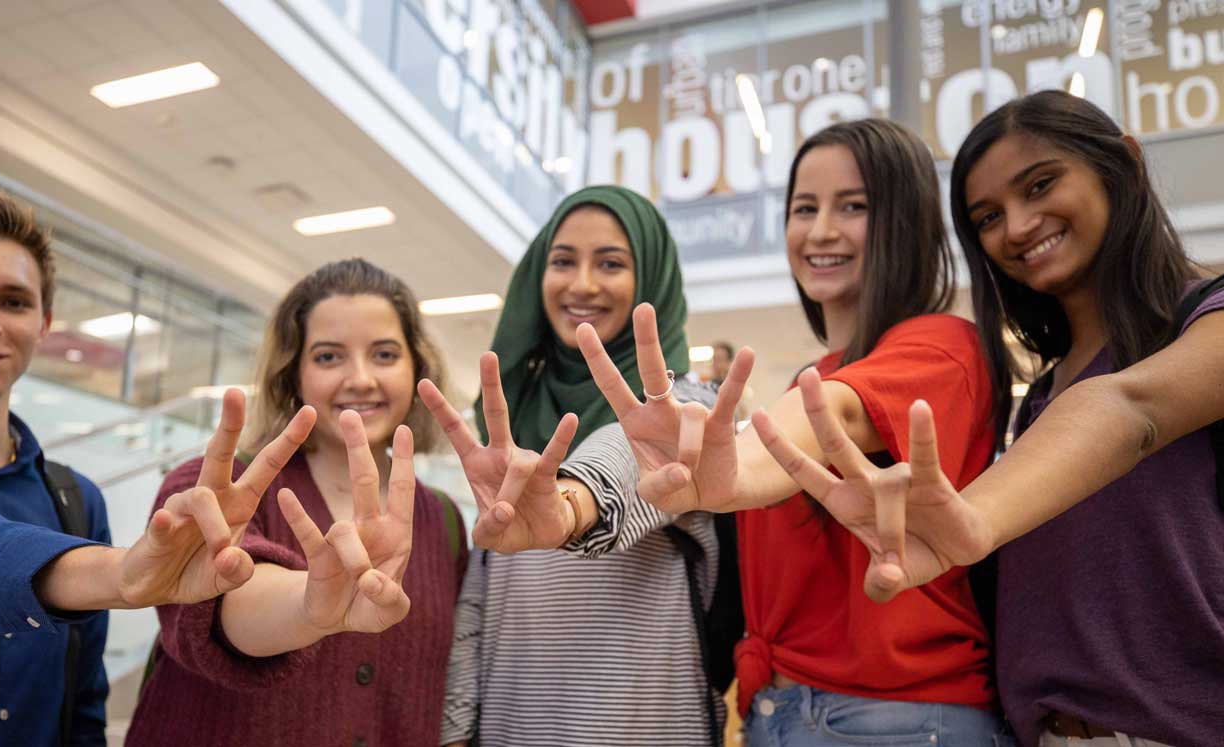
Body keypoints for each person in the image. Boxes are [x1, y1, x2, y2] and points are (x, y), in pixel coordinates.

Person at [756, 91, 1224, 746]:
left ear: (1123, 166)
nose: (1019, 225)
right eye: (987, 216)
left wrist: (974, 519)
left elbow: (1131, 407)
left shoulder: (1206, 320)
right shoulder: (1037, 397)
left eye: (1040, 185)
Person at [0, 191, 316, 746]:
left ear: (44, 323)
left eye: (13, 301)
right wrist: (113, 575)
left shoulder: (75, 499)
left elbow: (82, 701)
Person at [577, 121, 1010, 745]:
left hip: (898, 716)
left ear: (906, 221)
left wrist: (729, 464)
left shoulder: (941, 345)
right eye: (803, 208)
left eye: (854, 206)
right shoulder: (812, 376)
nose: (821, 230)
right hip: (787, 710)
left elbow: (833, 414)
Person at [423, 185, 728, 747]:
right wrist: (456, 728)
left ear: (652, 278)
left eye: (611, 263)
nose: (582, 284)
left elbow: (628, 456)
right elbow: (484, 592)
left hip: (642, 729)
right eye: (563, 261)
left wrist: (567, 503)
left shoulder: (690, 409)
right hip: (510, 729)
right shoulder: (514, 414)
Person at [127, 258, 467, 747]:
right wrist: (312, 604)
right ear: (293, 374)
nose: (361, 379)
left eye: (385, 354)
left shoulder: (443, 521)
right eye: (329, 357)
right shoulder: (216, 490)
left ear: (417, 367)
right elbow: (225, 610)